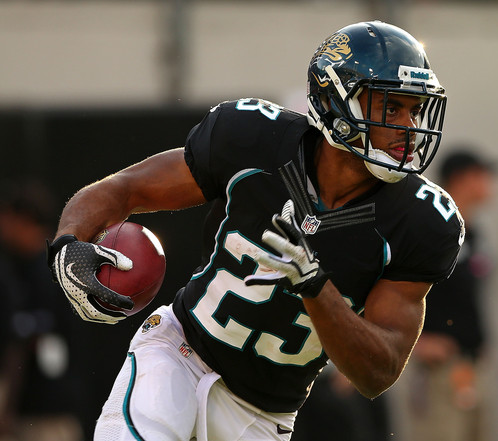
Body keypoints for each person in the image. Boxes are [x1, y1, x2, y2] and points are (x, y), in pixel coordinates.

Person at [46, 21, 464, 441]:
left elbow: (378, 373)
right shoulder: (256, 139)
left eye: (415, 110)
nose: (408, 128)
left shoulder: (422, 220)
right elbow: (125, 188)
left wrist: (314, 285)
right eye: (391, 109)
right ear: (334, 100)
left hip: (264, 415)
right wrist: (68, 244)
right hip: (179, 354)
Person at [400, 149, 496, 441]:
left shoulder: (474, 234)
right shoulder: (431, 228)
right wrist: (414, 342)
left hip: (471, 366)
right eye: (481, 174)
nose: (490, 182)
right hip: (438, 369)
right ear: (461, 178)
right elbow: (394, 285)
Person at [0, 178, 83, 441]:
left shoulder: (55, 271)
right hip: (23, 413)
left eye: (7, 217)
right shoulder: (16, 268)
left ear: (24, 219)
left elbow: (29, 342)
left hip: (50, 414)